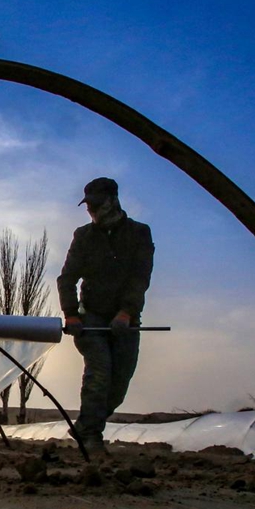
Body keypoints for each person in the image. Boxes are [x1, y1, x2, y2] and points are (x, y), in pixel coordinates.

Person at [57, 177, 155, 454]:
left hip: (126, 318)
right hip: (91, 318)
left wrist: (126, 312)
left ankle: (86, 424)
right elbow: (67, 279)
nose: (92, 212)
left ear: (113, 201)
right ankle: (91, 437)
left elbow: (140, 277)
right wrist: (71, 315)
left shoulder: (139, 233)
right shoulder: (84, 236)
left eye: (97, 205)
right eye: (89, 207)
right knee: (99, 372)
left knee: (118, 383)